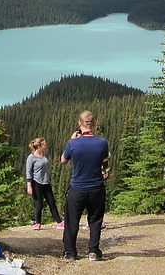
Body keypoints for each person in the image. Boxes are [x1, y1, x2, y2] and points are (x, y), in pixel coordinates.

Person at [60, 110, 110, 261]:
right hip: (96, 187)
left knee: (72, 220)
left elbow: (63, 160)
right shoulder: (102, 142)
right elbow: (106, 157)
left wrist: (72, 140)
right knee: (95, 220)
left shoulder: (73, 143)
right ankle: (93, 251)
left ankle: (70, 252)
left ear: (79, 124)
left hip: (77, 188)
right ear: (94, 124)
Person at [25, 138, 64, 230]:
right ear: (39, 147)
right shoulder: (31, 158)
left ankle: (59, 222)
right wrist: (29, 185)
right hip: (36, 183)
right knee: (39, 203)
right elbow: (28, 172)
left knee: (51, 202)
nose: (46, 147)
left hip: (46, 182)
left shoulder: (43, 155)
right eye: (44, 145)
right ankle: (37, 223)